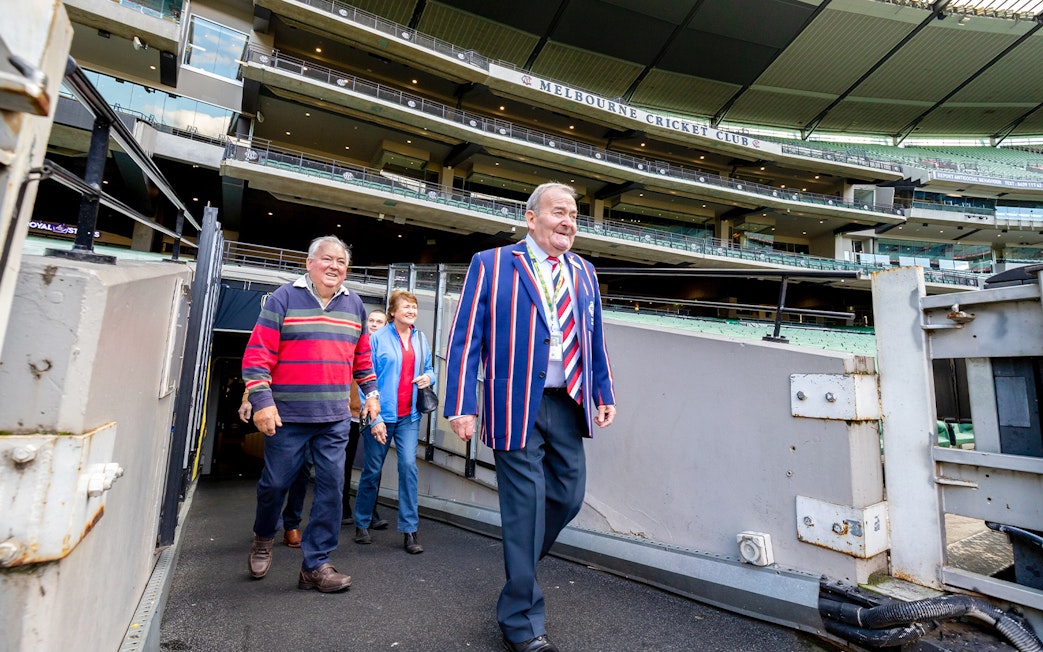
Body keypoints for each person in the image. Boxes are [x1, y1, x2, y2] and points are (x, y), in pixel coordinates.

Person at [444, 182, 617, 652]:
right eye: (559, 212)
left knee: (568, 495)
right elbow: (465, 338)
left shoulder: (585, 271)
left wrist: (603, 391)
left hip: (567, 400)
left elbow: (594, 337)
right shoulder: (492, 263)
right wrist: (461, 403)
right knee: (524, 509)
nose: (568, 222)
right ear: (530, 217)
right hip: (513, 403)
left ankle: (519, 567)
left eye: (575, 216)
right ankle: (521, 622)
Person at [243, 235, 380, 593]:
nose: (335, 267)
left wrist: (372, 394)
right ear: (309, 263)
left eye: (342, 262)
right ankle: (262, 537)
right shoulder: (283, 298)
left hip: (334, 417)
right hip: (287, 415)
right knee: (274, 485)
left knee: (332, 488)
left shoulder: (356, 306)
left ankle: (316, 565)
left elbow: (362, 358)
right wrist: (261, 401)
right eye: (327, 259)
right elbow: (257, 356)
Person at [354, 290, 435, 554]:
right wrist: (373, 416)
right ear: (392, 312)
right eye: (406, 307)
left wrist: (428, 379)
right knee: (372, 471)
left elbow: (430, 369)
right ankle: (362, 522)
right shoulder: (375, 339)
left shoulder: (420, 338)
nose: (412, 310)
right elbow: (365, 377)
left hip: (409, 416)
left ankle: (410, 530)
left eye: (414, 307)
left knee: (409, 468)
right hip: (381, 416)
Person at [238, 394, 309, 548]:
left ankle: (292, 525)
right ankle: (265, 526)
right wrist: (247, 399)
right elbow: (258, 373)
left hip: (311, 417)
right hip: (279, 417)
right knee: (274, 480)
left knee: (302, 473)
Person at [342, 309, 390, 530]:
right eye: (371, 320)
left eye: (379, 321)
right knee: (344, 462)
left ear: (385, 324)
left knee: (373, 464)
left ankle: (371, 510)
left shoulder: (387, 348)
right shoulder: (356, 346)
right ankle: (342, 507)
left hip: (374, 414)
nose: (373, 324)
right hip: (351, 414)